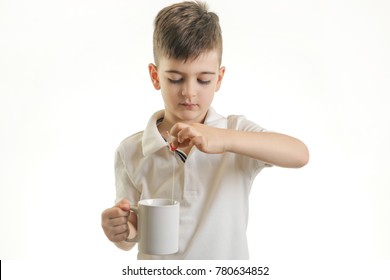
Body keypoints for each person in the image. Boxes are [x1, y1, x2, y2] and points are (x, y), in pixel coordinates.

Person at [101, 0, 309, 260]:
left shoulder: (235, 132)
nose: (189, 92)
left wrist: (223, 139)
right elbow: (133, 233)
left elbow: (299, 154)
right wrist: (123, 230)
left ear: (219, 79)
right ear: (155, 76)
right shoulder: (131, 150)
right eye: (175, 78)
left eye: (203, 80)